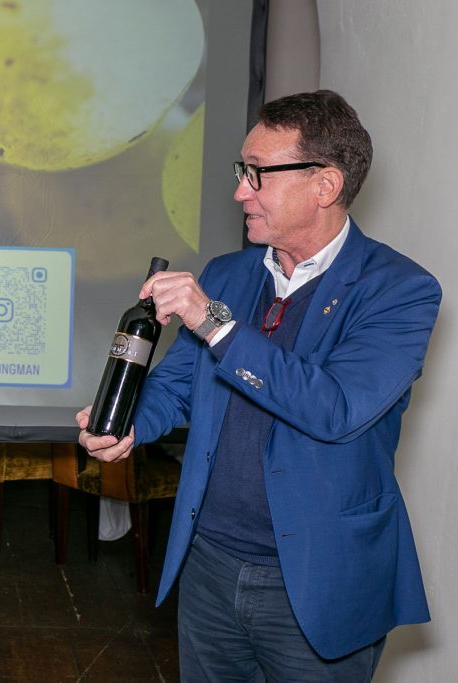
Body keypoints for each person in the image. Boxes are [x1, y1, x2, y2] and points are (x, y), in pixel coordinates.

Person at [77, 90, 440, 681]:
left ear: (324, 185)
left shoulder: (400, 290)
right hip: (209, 566)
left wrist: (213, 322)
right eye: (241, 172)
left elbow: (335, 408)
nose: (241, 191)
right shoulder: (229, 272)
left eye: (257, 174)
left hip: (316, 581)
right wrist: (132, 424)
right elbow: (179, 385)